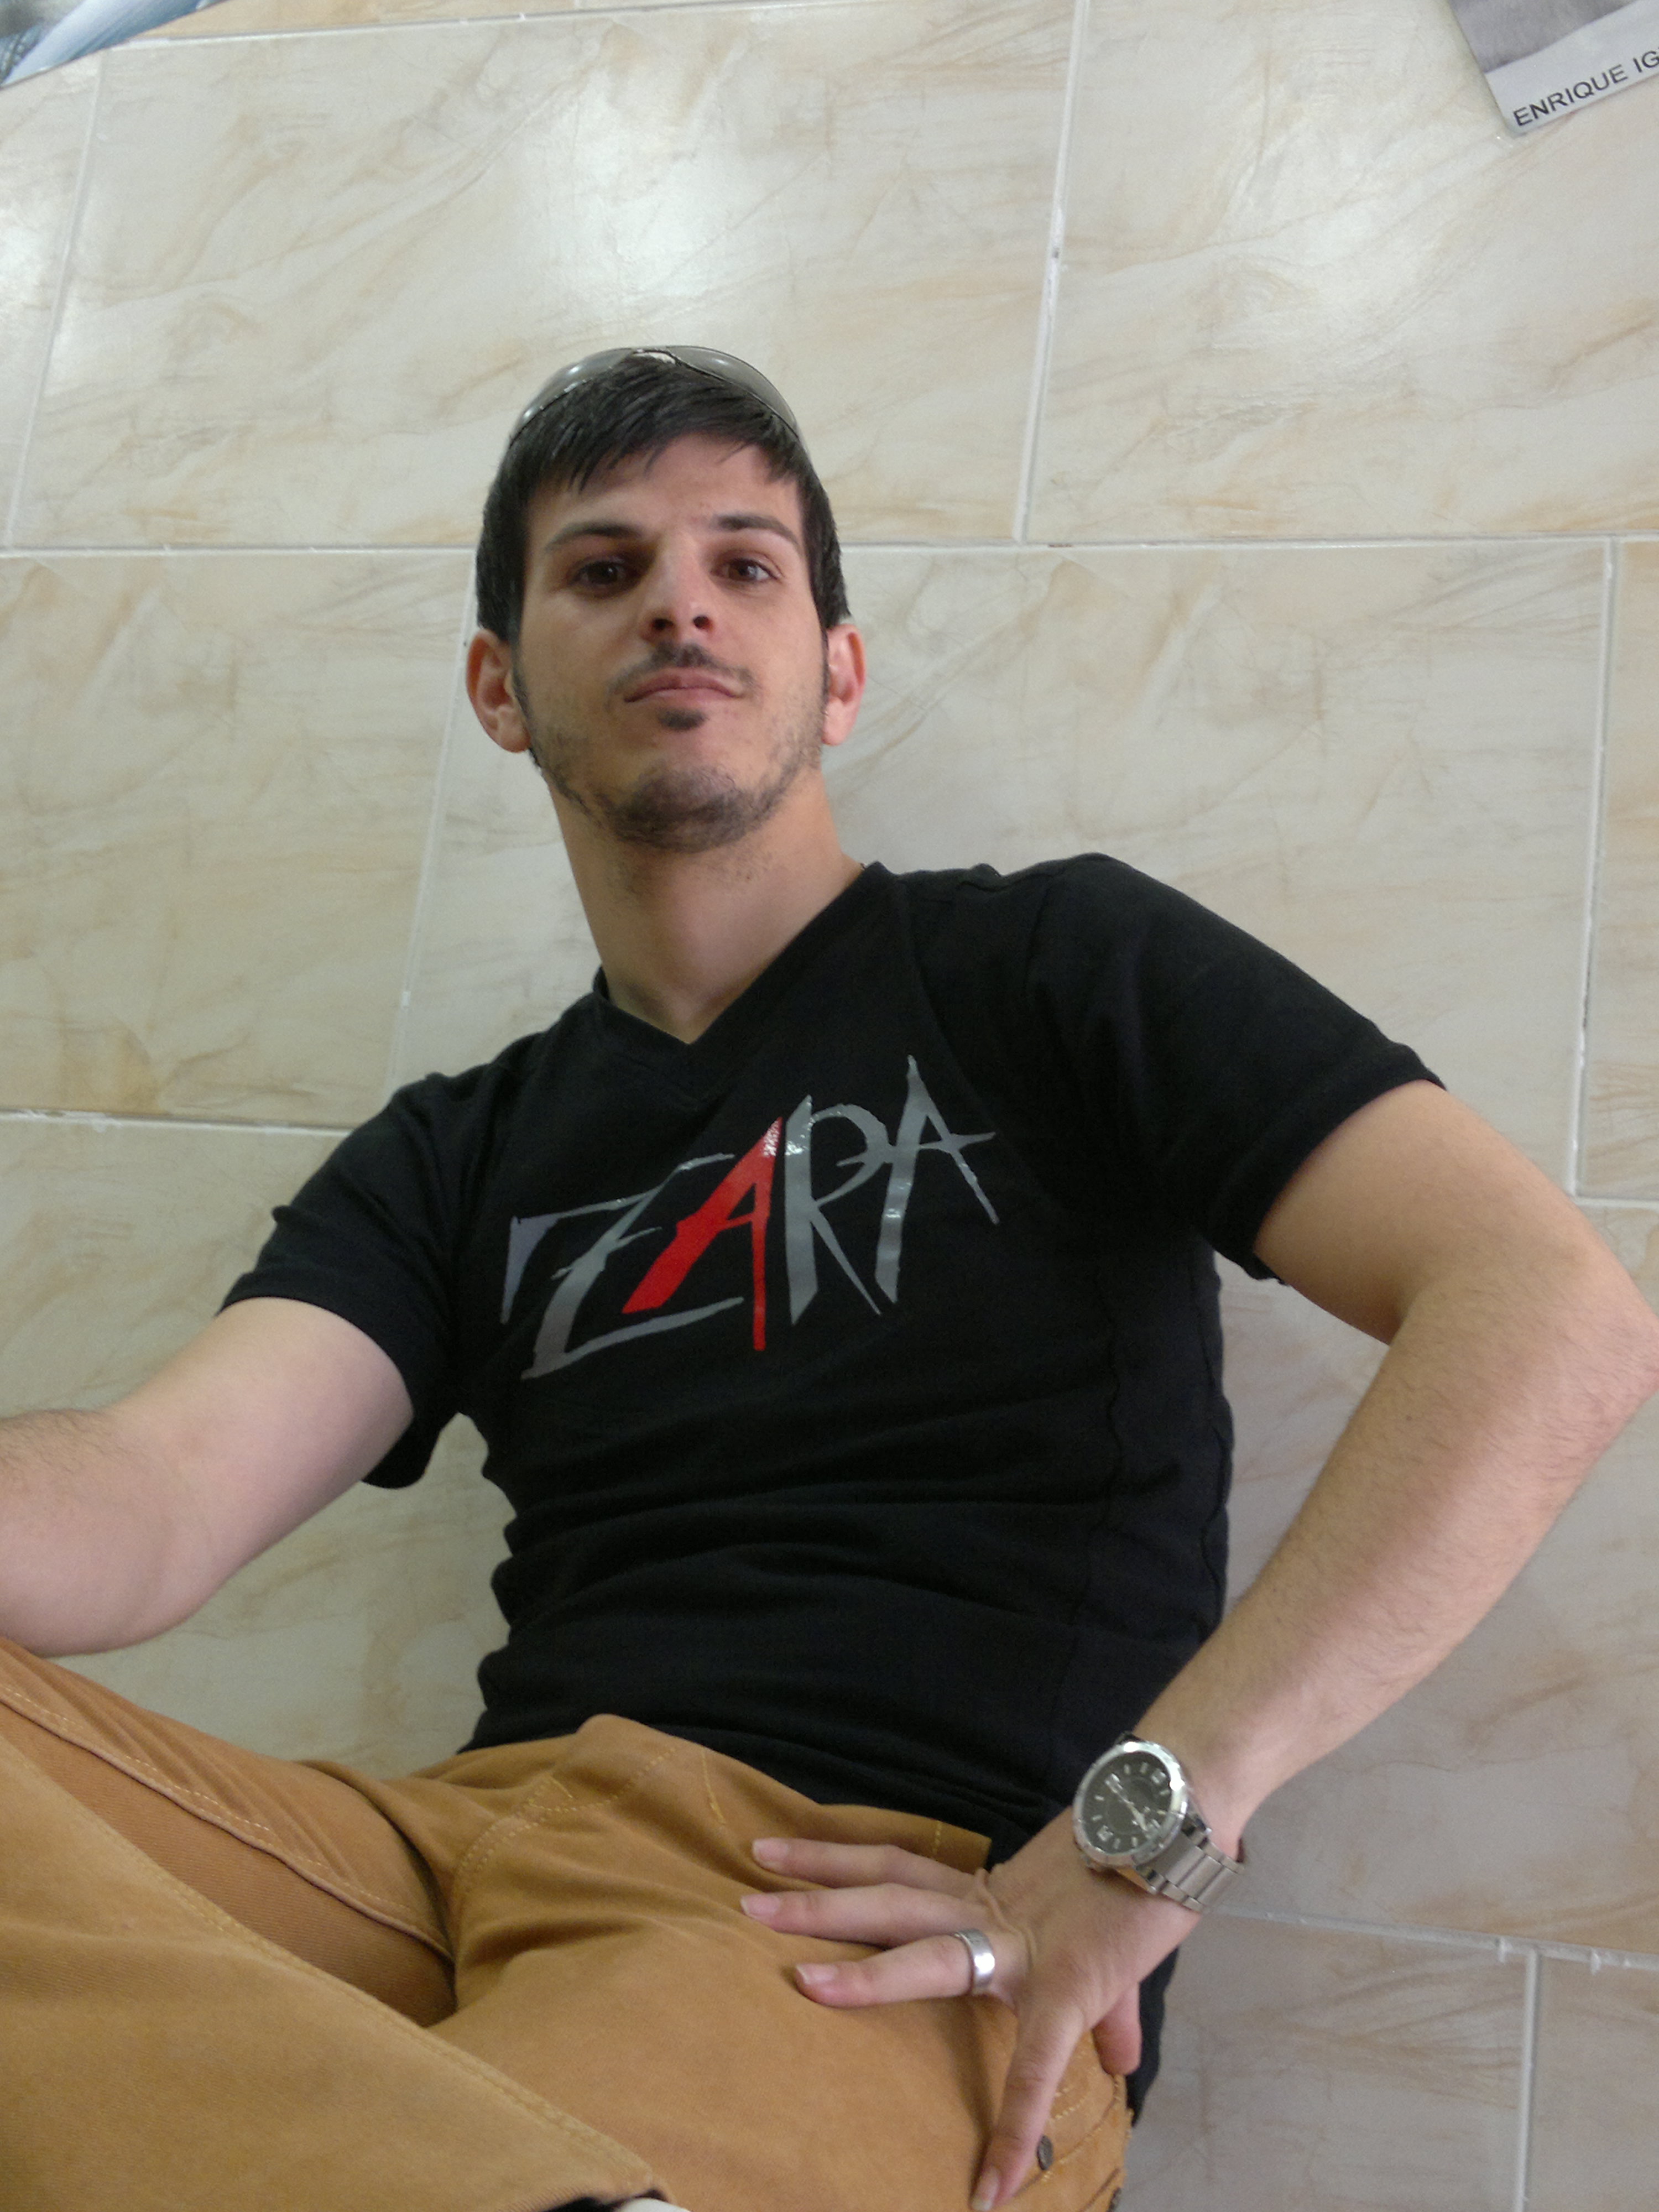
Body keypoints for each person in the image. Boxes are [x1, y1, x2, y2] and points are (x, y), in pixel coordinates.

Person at [2, 345, 1656, 2212]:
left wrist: (1149, 1828)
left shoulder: (1050, 970)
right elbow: (150, 1499)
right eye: (604, 569)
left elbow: (1547, 1311)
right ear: (499, 685)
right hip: (443, 1867)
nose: (680, 603)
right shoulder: (457, 1150)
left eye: (746, 563)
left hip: (869, 1923)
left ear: (839, 672)